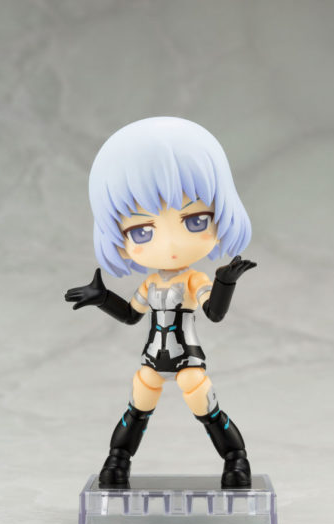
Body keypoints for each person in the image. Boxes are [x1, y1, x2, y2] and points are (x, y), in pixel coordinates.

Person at [65, 117, 257, 488]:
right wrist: (102, 298)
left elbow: (214, 313)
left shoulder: (194, 280)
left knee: (202, 401)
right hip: (152, 358)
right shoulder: (150, 282)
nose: (169, 245)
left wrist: (224, 282)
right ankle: (118, 460)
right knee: (138, 404)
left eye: (195, 221)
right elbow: (131, 315)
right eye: (142, 231)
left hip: (187, 358)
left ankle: (236, 459)